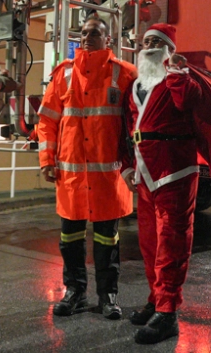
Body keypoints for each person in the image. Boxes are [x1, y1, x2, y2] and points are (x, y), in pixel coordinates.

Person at [37, 16, 137, 320]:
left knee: (108, 242)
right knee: (70, 241)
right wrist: (46, 160)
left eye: (94, 34)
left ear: (108, 40)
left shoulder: (125, 74)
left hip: (108, 178)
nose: (86, 38)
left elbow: (136, 122)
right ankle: (75, 293)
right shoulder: (63, 75)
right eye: (83, 33)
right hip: (72, 177)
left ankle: (108, 296)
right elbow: (47, 121)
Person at [122, 23, 204, 344]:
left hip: (175, 170)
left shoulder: (180, 78)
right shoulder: (135, 86)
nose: (151, 45)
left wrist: (177, 71)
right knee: (149, 243)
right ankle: (156, 300)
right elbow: (127, 129)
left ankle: (168, 312)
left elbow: (189, 101)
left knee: (171, 242)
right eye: (146, 42)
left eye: (158, 42)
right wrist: (128, 166)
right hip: (144, 173)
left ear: (170, 49)